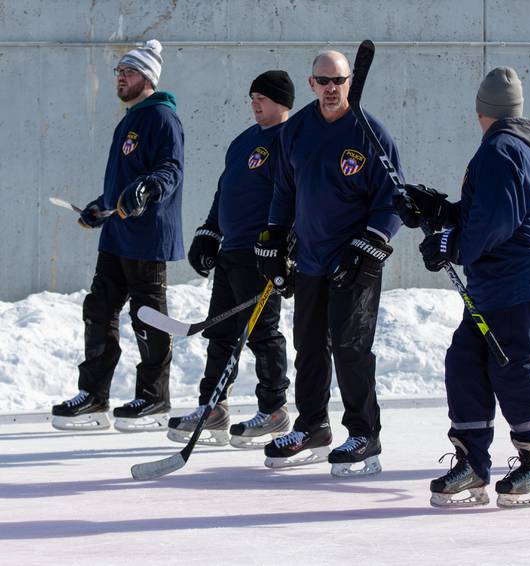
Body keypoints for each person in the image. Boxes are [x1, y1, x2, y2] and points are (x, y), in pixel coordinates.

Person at [399, 67, 530, 508]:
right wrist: (437, 211)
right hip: (498, 284)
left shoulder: (502, 150)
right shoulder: (512, 148)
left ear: (481, 110)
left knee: (512, 366)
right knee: (466, 362)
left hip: (516, 281)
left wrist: (451, 243)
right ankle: (472, 461)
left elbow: (494, 223)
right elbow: (483, 214)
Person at [255, 50, 401, 476]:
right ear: (312, 83)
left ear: (350, 81)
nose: (332, 88)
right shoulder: (297, 128)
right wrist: (273, 238)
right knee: (309, 346)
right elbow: (284, 190)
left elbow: (392, 201)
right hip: (311, 260)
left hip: (356, 261)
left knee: (351, 348)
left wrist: (370, 244)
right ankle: (313, 427)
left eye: (338, 80)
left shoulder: (371, 133)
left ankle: (364, 434)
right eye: (324, 81)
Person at [51, 39, 184, 432]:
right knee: (98, 311)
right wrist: (100, 207)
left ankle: (154, 398)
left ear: (147, 77)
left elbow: (170, 171)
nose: (120, 78)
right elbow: (123, 183)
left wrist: (146, 190)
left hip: (147, 237)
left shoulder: (162, 117)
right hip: (117, 236)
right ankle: (94, 396)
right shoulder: (129, 119)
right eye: (118, 72)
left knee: (148, 319)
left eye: (128, 71)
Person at [166, 71, 295, 448]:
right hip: (231, 252)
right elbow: (225, 191)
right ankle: (213, 407)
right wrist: (209, 232)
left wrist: (286, 247)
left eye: (264, 98)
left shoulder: (291, 140)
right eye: (252, 96)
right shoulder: (242, 143)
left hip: (263, 255)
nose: (256, 103)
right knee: (220, 333)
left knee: (261, 334)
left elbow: (298, 196)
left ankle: (274, 410)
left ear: (283, 102)